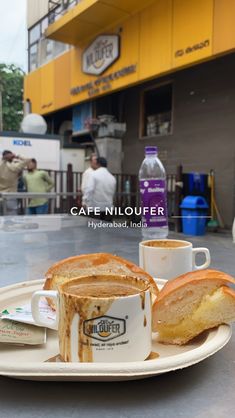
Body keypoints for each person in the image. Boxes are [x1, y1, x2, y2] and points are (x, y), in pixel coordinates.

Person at [0, 150, 30, 215]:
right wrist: (18, 156)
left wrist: (4, 158)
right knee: (11, 218)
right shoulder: (15, 167)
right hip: (11, 196)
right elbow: (28, 160)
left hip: (1, 195)